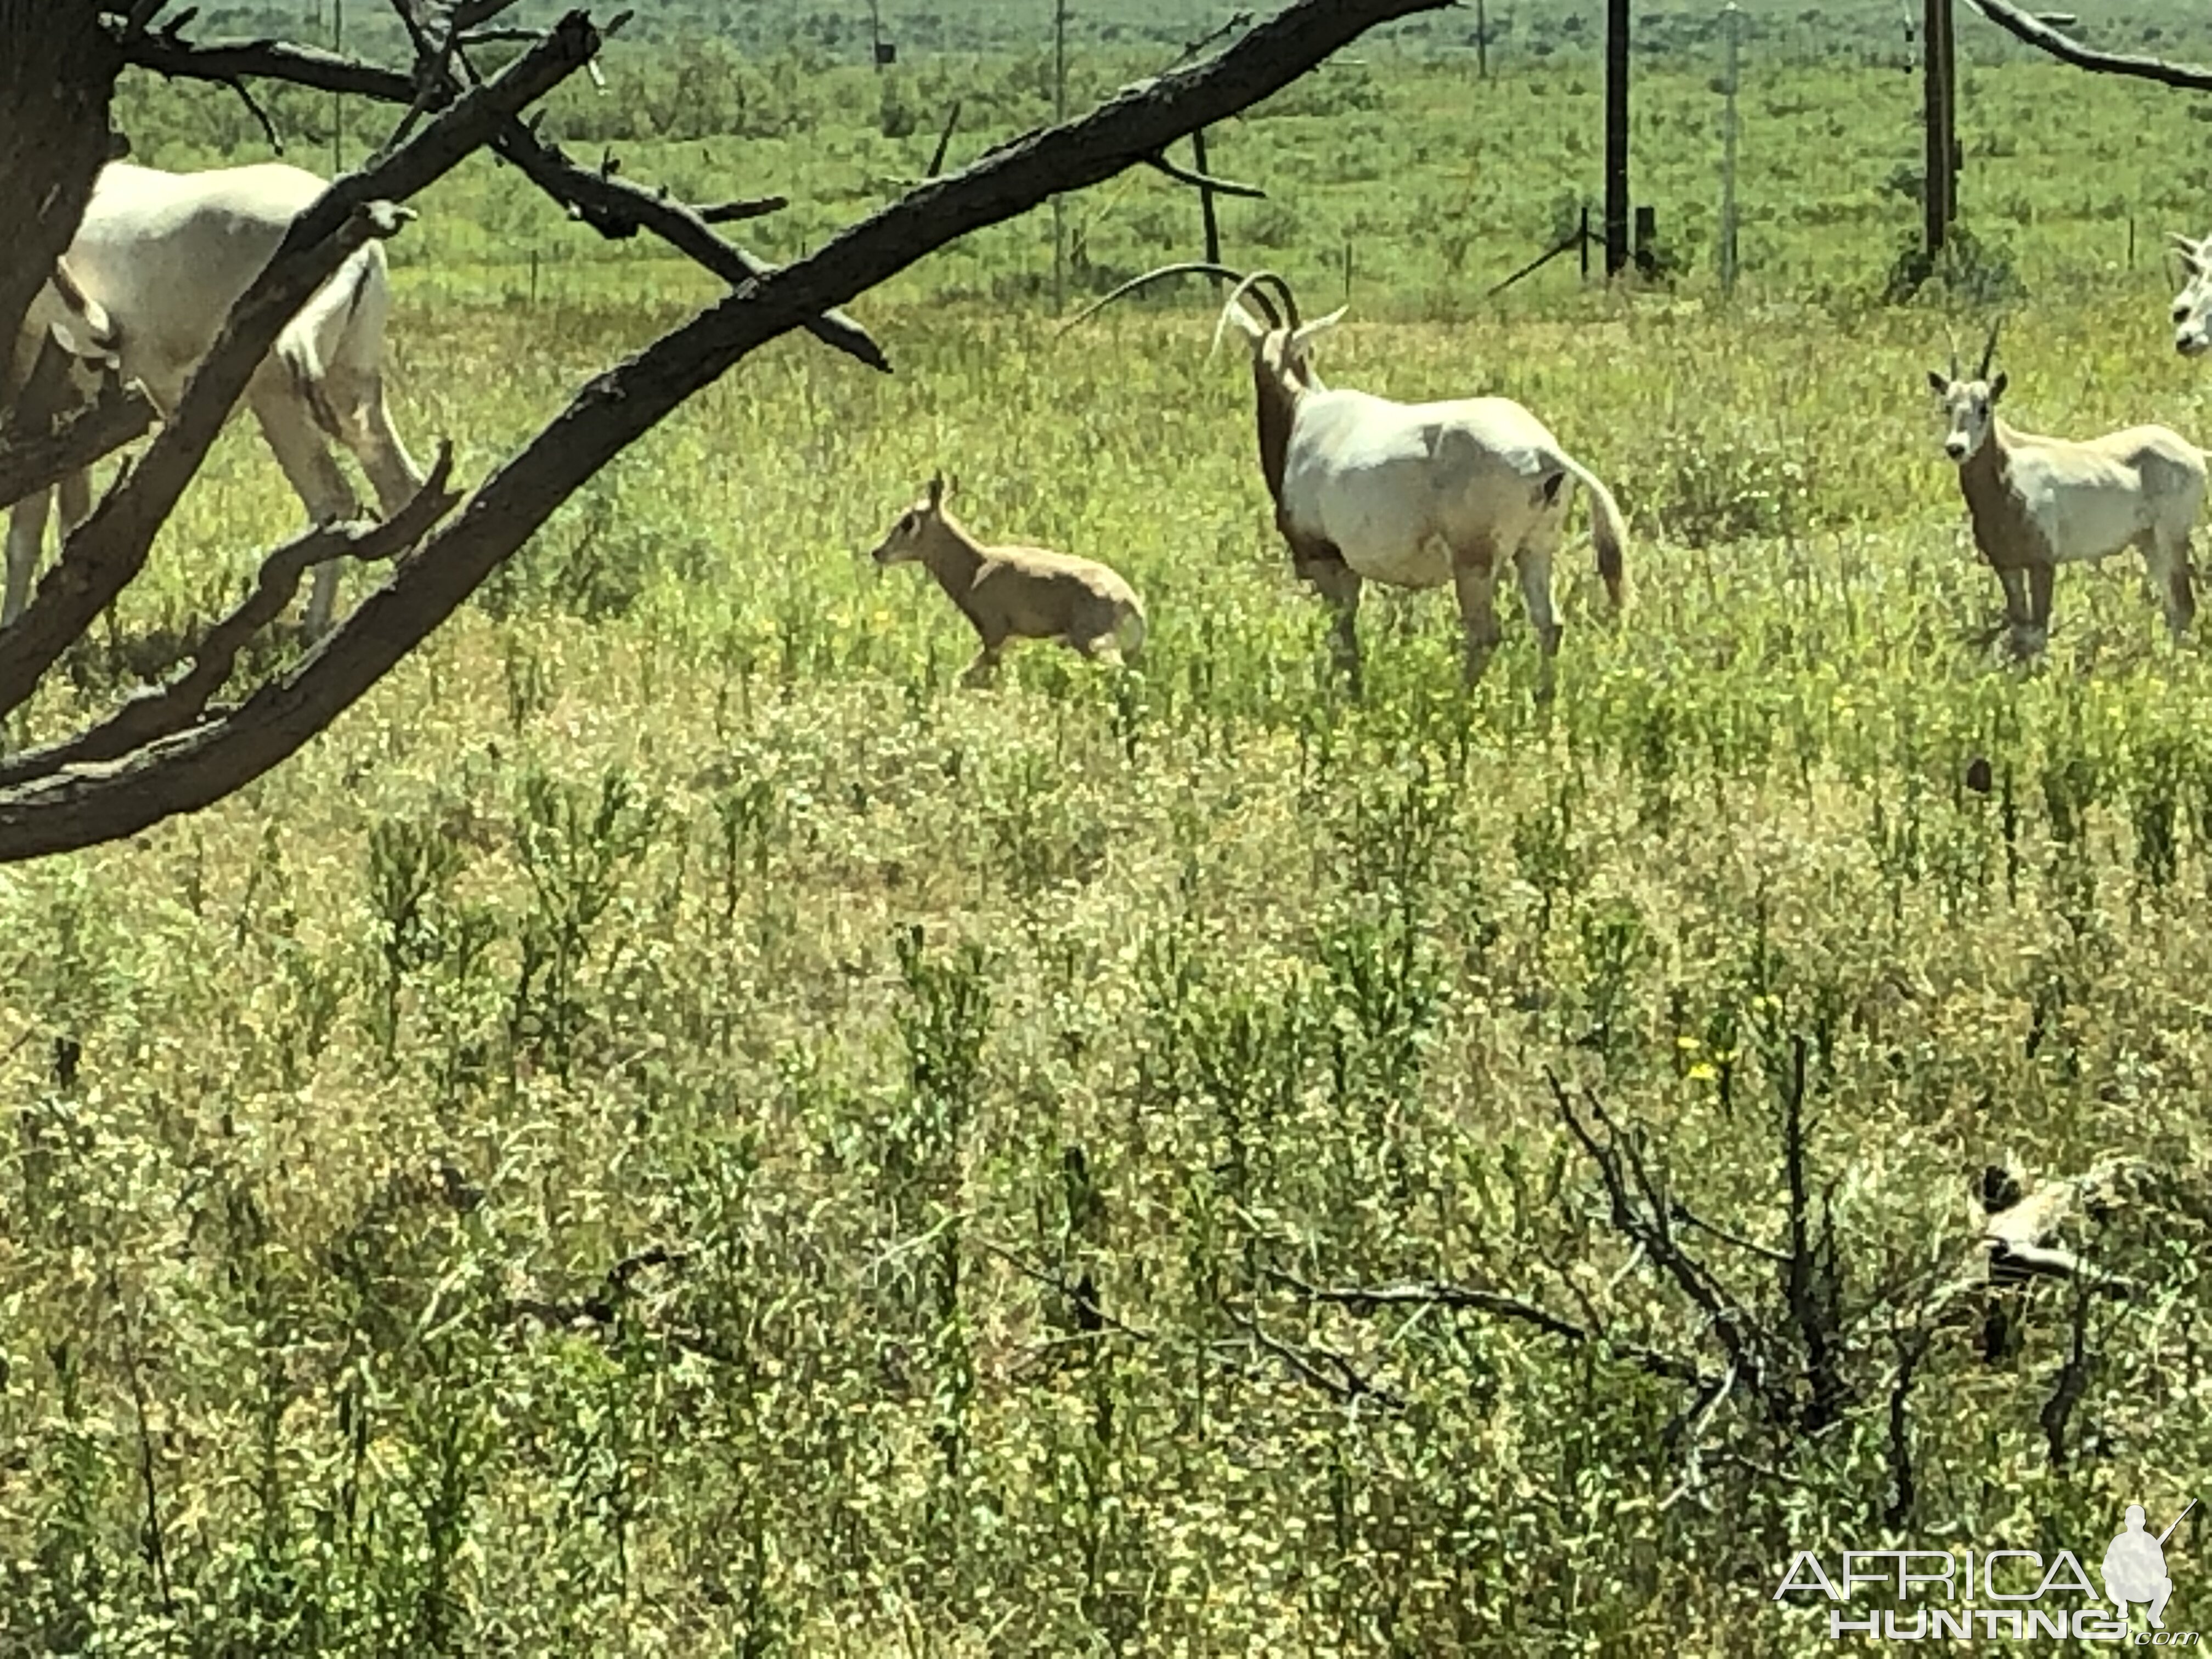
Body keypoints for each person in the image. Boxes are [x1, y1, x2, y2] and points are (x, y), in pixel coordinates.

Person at [2104, 1505, 2175, 1629]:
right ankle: (2122, 1606)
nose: (2135, 1522)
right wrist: (2122, 1569)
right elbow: (2107, 1568)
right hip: (2123, 1589)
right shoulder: (2118, 1541)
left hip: (2144, 1588)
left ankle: (2154, 1615)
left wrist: (2149, 1564)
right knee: (2110, 1583)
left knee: (2166, 1583)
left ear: (2144, 1521)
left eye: (2139, 1518)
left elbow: (2162, 1571)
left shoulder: (2150, 1542)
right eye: (2132, 1519)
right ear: (2126, 1521)